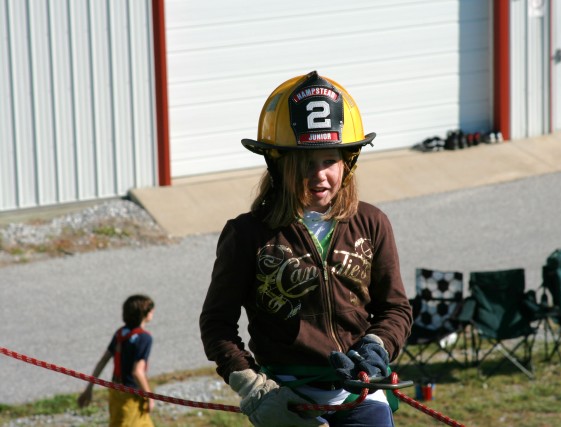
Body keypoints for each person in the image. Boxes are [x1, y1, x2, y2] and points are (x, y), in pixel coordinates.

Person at [200, 71, 412, 427]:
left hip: (360, 394)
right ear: (278, 164)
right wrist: (254, 388)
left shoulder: (373, 223)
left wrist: (377, 347)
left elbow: (395, 308)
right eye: (305, 163)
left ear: (348, 162)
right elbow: (217, 325)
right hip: (287, 399)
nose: (319, 176)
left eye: (329, 160)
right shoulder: (246, 235)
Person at [78, 294, 156, 427]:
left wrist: (89, 388)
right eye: (151, 310)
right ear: (145, 314)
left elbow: (103, 361)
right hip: (131, 397)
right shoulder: (144, 338)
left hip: (116, 392)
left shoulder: (120, 333)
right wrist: (149, 397)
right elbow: (137, 372)